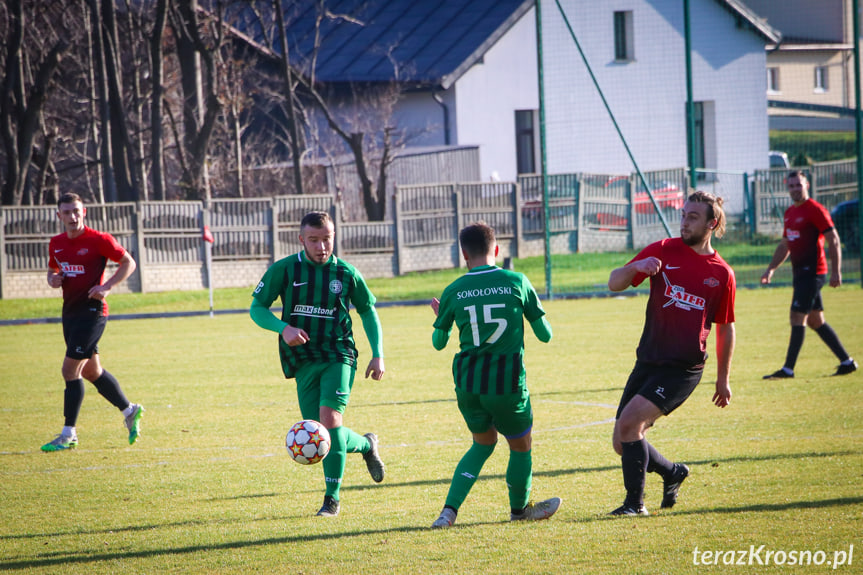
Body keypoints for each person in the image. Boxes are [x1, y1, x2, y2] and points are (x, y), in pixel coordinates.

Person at [607, 191, 736, 516]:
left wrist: (723, 380)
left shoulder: (721, 273)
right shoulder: (663, 250)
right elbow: (614, 283)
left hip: (682, 369)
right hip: (648, 360)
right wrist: (638, 265)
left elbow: (725, 327)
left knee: (631, 422)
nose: (684, 221)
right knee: (622, 442)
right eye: (683, 214)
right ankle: (672, 472)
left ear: (712, 223)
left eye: (693, 216)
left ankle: (634, 505)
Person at [250, 211, 386, 518]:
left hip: (339, 353)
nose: (321, 246)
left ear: (333, 237)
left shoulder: (347, 273)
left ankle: (332, 499)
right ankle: (366, 445)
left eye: (326, 239)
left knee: (330, 419)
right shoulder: (285, 270)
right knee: (320, 430)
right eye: (314, 240)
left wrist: (378, 353)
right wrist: (282, 328)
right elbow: (257, 308)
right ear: (302, 240)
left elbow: (367, 311)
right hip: (302, 358)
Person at [429, 222, 561, 528]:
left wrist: (443, 319)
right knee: (520, 445)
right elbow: (546, 336)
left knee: (482, 444)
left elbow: (438, 344)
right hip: (506, 382)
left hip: (469, 383)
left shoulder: (453, 290)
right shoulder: (517, 281)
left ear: (464, 254)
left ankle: (448, 513)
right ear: (497, 250)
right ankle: (519, 511)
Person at [41, 193, 143, 452]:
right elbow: (54, 270)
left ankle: (68, 434)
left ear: (83, 212)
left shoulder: (99, 240)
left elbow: (128, 262)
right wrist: (52, 278)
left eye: (76, 211)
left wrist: (107, 286)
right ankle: (129, 410)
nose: (72, 217)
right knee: (90, 371)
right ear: (59, 216)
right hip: (70, 313)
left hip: (93, 313)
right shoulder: (56, 243)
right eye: (67, 212)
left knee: (69, 371)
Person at [761, 170, 857, 379]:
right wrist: (771, 269)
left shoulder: (815, 210)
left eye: (799, 185)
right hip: (800, 273)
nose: (795, 189)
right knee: (815, 321)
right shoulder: (789, 213)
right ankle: (847, 362)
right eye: (792, 185)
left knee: (797, 317)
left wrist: (836, 271)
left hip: (813, 273)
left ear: (807, 186)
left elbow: (834, 240)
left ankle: (787, 370)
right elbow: (785, 244)